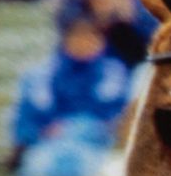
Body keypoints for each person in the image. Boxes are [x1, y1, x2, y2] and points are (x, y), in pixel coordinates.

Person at [10, 13, 131, 165]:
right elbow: (26, 121)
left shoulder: (114, 72)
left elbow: (116, 115)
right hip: (47, 149)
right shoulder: (41, 74)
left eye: (91, 37)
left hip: (98, 149)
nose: (84, 43)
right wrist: (40, 133)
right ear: (65, 40)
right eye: (78, 37)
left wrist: (72, 128)